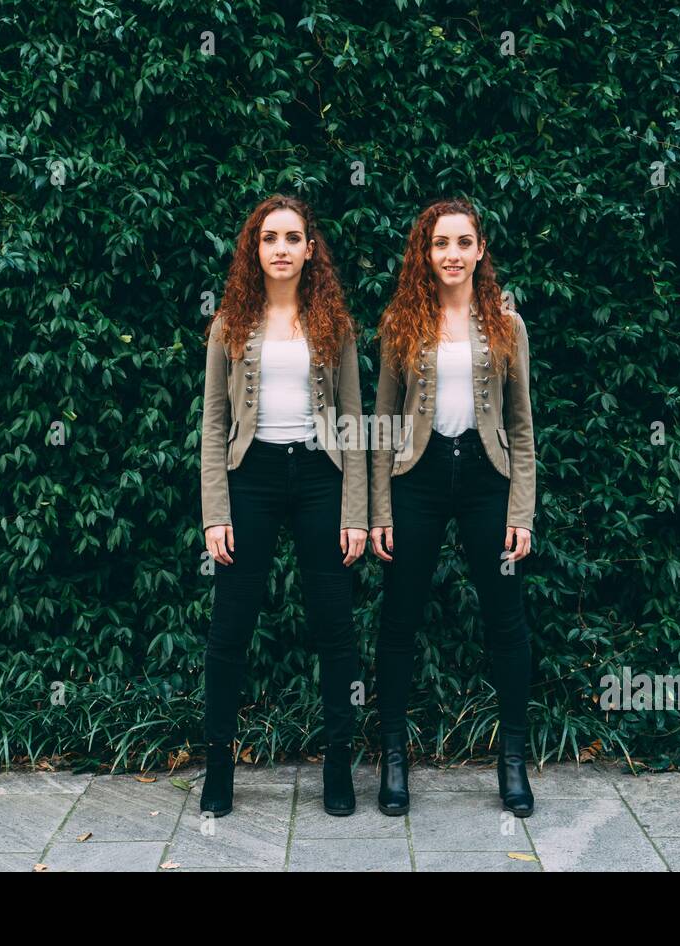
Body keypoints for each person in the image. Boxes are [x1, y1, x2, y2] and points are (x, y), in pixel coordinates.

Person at [198, 195, 368, 817]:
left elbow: (352, 420)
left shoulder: (335, 323)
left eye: (292, 238)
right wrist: (216, 512)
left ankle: (340, 770)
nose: (281, 249)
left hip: (321, 474)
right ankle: (218, 769)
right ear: (255, 248)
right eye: (269, 238)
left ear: (309, 248)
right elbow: (214, 424)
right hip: (254, 477)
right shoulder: (229, 323)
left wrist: (357, 511)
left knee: (335, 626)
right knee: (230, 628)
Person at [368, 198, 537, 817]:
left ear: (480, 250)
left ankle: (513, 763)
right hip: (418, 474)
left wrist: (521, 510)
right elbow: (384, 422)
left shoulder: (506, 324)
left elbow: (521, 425)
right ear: (426, 252)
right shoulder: (401, 323)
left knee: (506, 621)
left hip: (488, 478)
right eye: (441, 244)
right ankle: (393, 761)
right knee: (399, 619)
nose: (452, 255)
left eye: (463, 243)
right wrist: (379, 509)